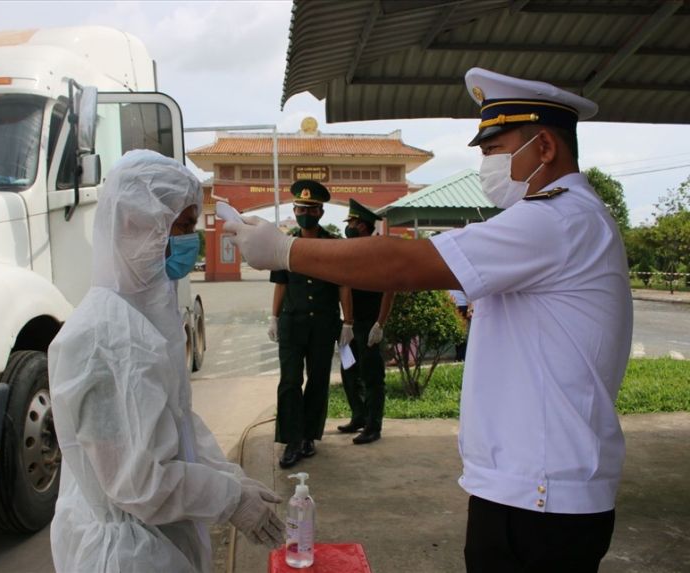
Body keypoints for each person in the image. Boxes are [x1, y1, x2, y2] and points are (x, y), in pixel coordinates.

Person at [225, 68, 633, 572]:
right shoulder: (557, 220)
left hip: (540, 493)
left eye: (494, 149)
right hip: (529, 486)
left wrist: (286, 249)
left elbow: (403, 264)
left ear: (544, 146)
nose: (486, 164)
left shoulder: (558, 218)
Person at [48, 150, 283, 573]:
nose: (189, 241)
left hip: (159, 543)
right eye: (183, 227)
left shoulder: (143, 316)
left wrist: (229, 478)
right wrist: (229, 500)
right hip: (127, 556)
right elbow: (140, 483)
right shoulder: (105, 337)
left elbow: (176, 425)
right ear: (132, 223)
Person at [268, 179, 354, 469]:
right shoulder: (284, 244)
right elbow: (280, 284)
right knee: (290, 382)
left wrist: (348, 322)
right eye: (300, 208)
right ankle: (291, 440)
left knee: (318, 382)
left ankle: (308, 437)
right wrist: (274, 317)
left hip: (323, 325)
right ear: (294, 210)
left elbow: (344, 285)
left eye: (310, 208)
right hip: (293, 324)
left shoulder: (334, 246)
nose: (304, 212)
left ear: (320, 212)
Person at [337, 199, 395, 445]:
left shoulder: (379, 252)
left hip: (370, 323)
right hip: (351, 324)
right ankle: (358, 416)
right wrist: (346, 322)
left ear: (362, 225)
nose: (348, 226)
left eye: (351, 222)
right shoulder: (350, 250)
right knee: (348, 371)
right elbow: (345, 286)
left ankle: (373, 426)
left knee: (372, 377)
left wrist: (380, 324)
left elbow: (389, 290)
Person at [448, 289, 470, 361]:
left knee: (461, 332)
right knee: (457, 332)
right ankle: (460, 356)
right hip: (452, 305)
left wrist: (470, 307)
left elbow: (468, 291)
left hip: (462, 305)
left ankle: (461, 356)